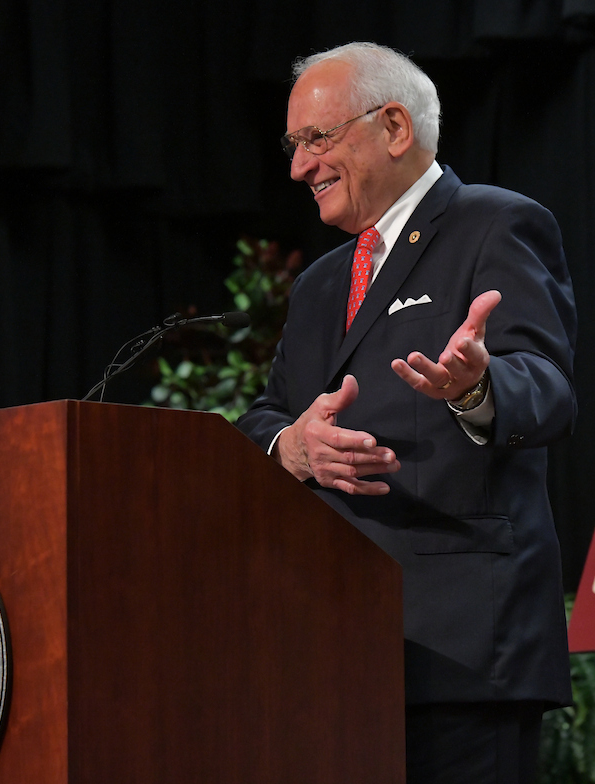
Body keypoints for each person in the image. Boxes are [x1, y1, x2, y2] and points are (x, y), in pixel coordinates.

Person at [236, 41, 577, 784]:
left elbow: (547, 387)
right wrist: (290, 446)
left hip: (461, 652)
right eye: (293, 145)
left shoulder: (496, 224)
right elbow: (265, 417)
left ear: (394, 126)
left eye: (317, 139)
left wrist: (475, 389)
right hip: (334, 651)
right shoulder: (321, 284)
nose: (298, 167)